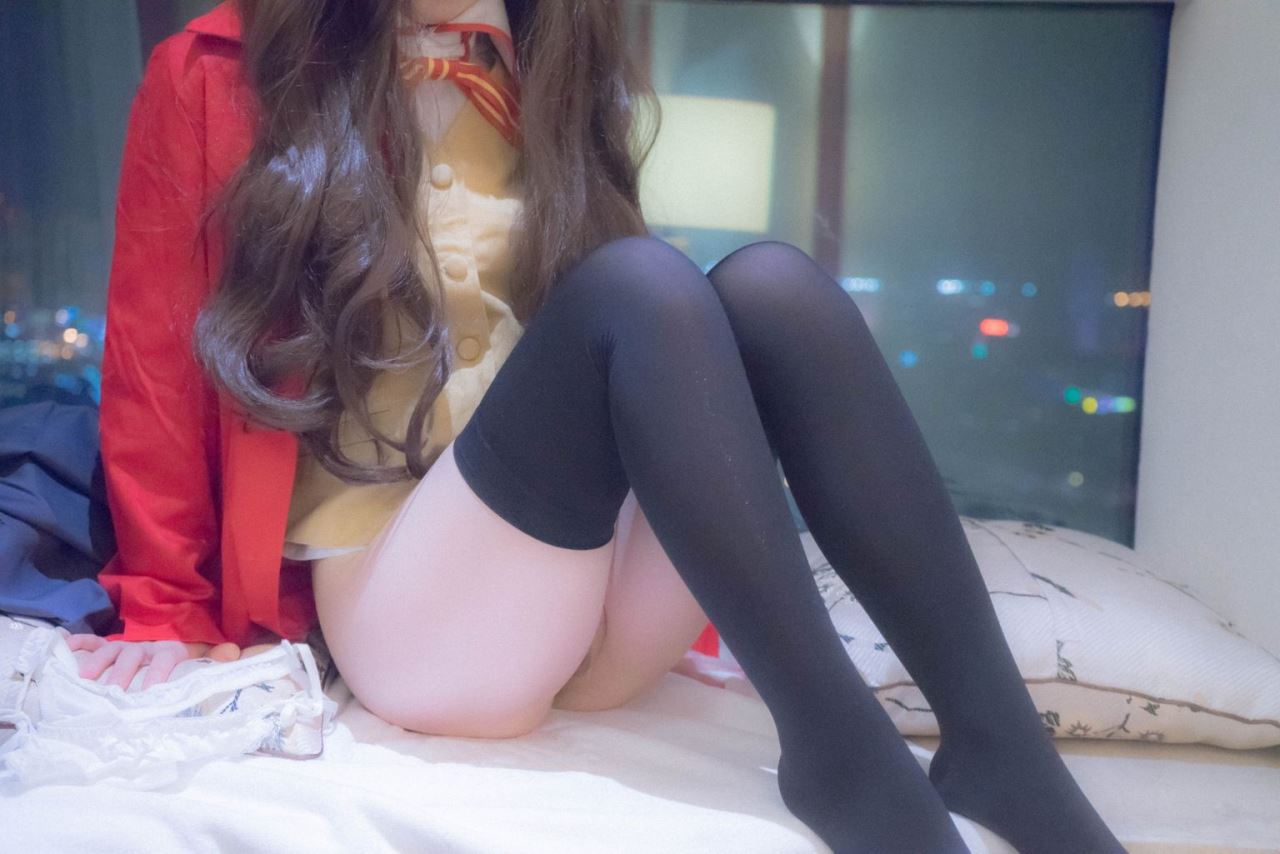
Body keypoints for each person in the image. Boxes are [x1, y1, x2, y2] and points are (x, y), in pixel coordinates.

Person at [64, 0, 1125, 850]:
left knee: (774, 291)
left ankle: (998, 748)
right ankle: (841, 752)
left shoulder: (548, 67)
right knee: (639, 285)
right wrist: (166, 608)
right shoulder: (219, 74)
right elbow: (155, 363)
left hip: (594, 601)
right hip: (418, 617)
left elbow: (661, 388)